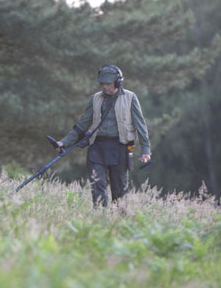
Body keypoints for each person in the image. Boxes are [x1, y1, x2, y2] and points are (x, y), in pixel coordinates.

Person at [54, 64, 151, 206]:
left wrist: (146, 150)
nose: (104, 87)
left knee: (120, 191)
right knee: (97, 186)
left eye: (108, 83)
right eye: (102, 83)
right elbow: (82, 124)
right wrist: (63, 142)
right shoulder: (95, 99)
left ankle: (120, 221)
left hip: (120, 148)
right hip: (97, 147)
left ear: (118, 82)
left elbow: (141, 125)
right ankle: (101, 217)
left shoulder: (130, 98)